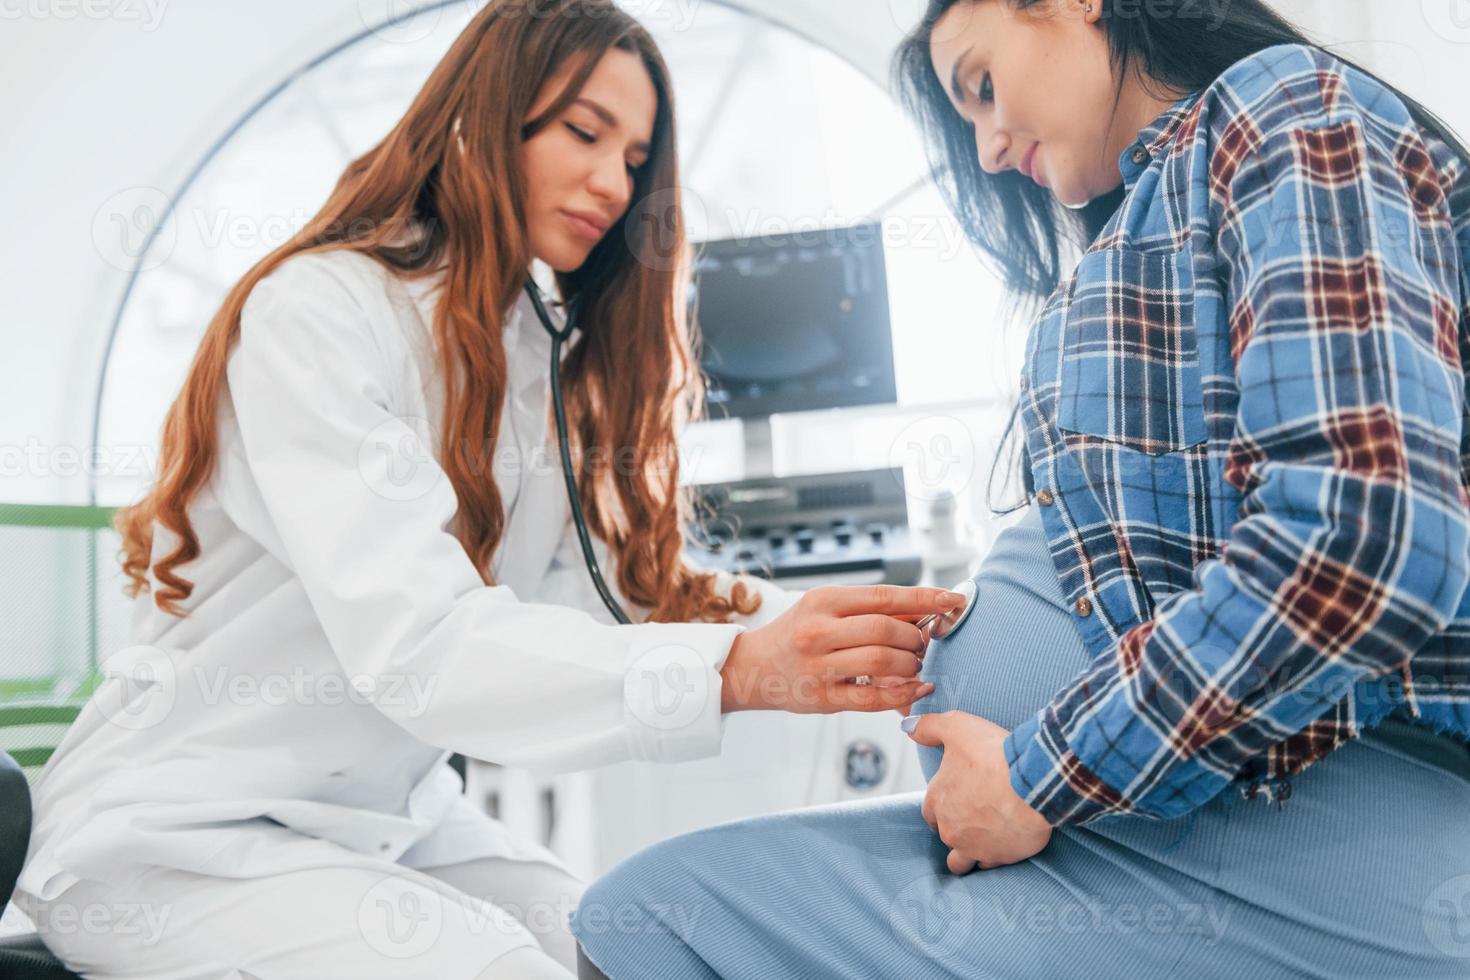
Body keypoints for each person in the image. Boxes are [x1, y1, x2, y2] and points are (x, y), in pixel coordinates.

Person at [11, 3, 964, 978]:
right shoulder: (318, 313)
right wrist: (739, 668)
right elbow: (422, 643)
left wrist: (862, 631)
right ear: (481, 116)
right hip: (178, 833)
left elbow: (605, 593)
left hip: (385, 819)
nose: (611, 180)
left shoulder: (535, 352)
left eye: (635, 158)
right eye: (583, 132)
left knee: (636, 950)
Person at [570, 1, 1470, 977]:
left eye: (983, 86)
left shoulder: (1279, 109)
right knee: (643, 914)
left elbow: (1367, 534)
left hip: (1318, 818)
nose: (991, 149)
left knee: (651, 927)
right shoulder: (1145, 221)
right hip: (1139, 823)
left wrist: (1037, 774)